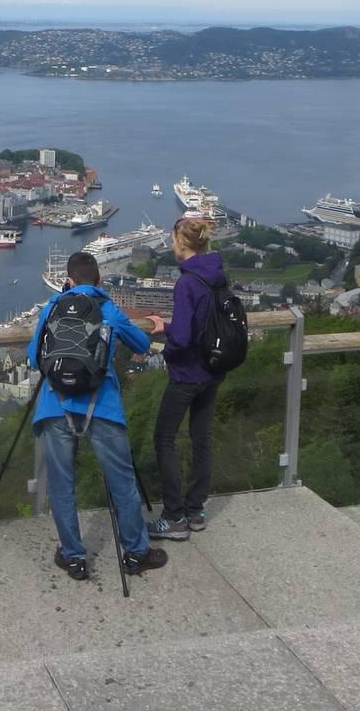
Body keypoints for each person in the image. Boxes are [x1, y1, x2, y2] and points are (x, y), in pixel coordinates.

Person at [26, 250, 168, 582]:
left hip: (55, 405)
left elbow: (35, 359)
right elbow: (143, 343)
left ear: (69, 281)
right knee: (122, 482)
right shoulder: (108, 309)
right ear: (100, 280)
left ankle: (73, 557)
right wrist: (153, 327)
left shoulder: (51, 307)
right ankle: (136, 552)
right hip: (101, 405)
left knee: (62, 485)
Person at [148, 216, 226, 542]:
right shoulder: (217, 274)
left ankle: (174, 516)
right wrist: (170, 328)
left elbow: (181, 338)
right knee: (201, 438)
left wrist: (164, 343)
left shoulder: (187, 283)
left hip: (187, 374)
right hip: (213, 369)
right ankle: (196, 510)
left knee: (164, 439)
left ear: (181, 243)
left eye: (172, 241)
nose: (170, 246)